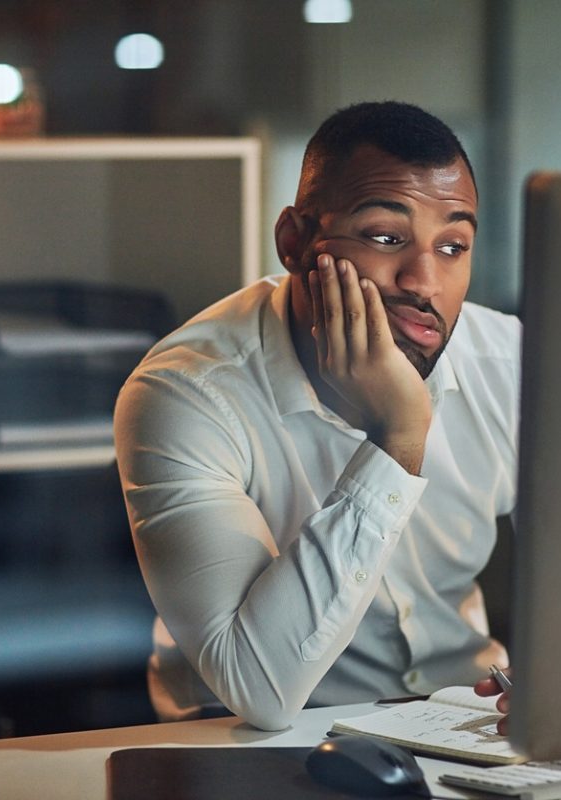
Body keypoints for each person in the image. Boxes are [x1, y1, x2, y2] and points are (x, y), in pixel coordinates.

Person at [114, 101, 518, 732]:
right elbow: (259, 689)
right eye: (386, 237)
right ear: (294, 242)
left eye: (452, 246)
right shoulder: (184, 392)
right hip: (243, 744)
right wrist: (398, 437)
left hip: (462, 723)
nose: (425, 280)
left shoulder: (508, 363)